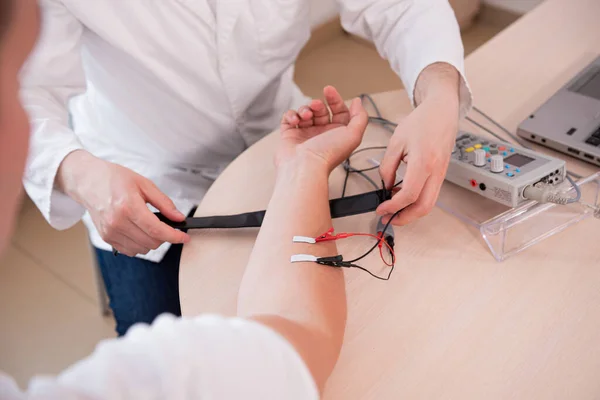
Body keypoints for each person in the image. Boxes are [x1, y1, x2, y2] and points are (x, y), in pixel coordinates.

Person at [20, 0, 471, 335]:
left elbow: (399, 5)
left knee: (368, 321)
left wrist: (438, 94)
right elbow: (26, 91)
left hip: (277, 145)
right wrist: (77, 172)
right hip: (138, 179)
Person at [3, 1, 366, 397]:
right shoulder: (160, 379)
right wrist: (77, 171)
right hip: (138, 176)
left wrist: (435, 84)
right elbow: (289, 345)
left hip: (271, 137)